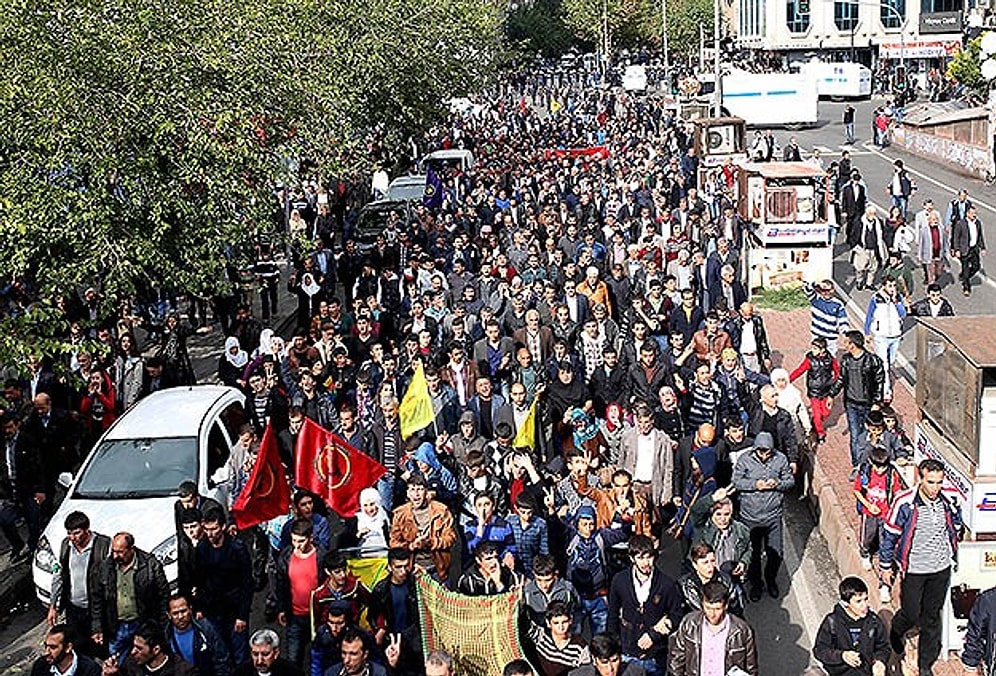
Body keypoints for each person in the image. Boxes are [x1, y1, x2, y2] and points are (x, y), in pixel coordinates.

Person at [880, 458, 963, 676]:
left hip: (940, 568)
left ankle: (925, 665)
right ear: (920, 478)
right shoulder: (904, 502)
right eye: (931, 482)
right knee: (911, 612)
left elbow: (956, 523)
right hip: (915, 569)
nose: (936, 488)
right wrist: (886, 566)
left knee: (931, 616)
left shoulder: (948, 499)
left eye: (939, 482)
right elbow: (889, 535)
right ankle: (896, 632)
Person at [607, 535, 683, 676]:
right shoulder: (619, 580)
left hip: (655, 656)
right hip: (627, 653)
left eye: (649, 557)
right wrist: (614, 646)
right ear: (632, 558)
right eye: (640, 558)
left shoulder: (667, 584)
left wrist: (653, 635)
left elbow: (677, 615)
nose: (645, 563)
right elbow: (612, 615)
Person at [732, 431, 794, 601]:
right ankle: (756, 584)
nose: (765, 454)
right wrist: (754, 484)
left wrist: (778, 484)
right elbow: (736, 481)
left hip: (773, 516)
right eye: (761, 451)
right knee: (753, 555)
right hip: (750, 517)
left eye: (768, 451)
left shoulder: (780, 459)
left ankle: (770, 579)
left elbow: (790, 481)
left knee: (776, 553)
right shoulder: (744, 460)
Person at [91, 532, 169, 658]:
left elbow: (163, 596)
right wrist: (97, 627)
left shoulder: (150, 565)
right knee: (115, 660)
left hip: (142, 623)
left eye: (120, 552)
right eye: (114, 551)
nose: (116, 556)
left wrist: (162, 624)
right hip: (117, 626)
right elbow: (97, 599)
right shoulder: (106, 567)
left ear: (131, 549)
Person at [194, 509, 254, 666]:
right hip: (212, 609)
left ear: (222, 527)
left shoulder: (237, 549)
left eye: (213, 529)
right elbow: (200, 579)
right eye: (206, 529)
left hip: (233, 610)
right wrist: (199, 608)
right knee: (219, 653)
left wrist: (242, 615)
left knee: (240, 655)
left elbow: (246, 583)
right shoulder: (202, 548)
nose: (210, 533)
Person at [48, 511, 111, 655]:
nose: (72, 538)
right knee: (78, 648)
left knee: (101, 648)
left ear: (87, 529)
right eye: (69, 533)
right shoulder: (66, 546)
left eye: (76, 533)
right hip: (74, 610)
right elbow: (58, 576)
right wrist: (53, 605)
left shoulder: (103, 545)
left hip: (97, 610)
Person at [668, 580, 758, 676]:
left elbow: (751, 668)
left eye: (717, 609)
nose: (712, 614)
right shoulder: (689, 623)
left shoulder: (742, 631)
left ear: (726, 605)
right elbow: (677, 658)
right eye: (708, 608)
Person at [852, 447, 904, 605]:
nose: (880, 470)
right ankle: (865, 552)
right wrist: (868, 504)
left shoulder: (892, 475)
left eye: (883, 466)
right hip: (870, 514)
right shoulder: (865, 473)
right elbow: (857, 491)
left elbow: (897, 494)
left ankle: (884, 584)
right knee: (867, 537)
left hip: (886, 517)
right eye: (877, 466)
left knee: (886, 548)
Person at [274, 519, 327, 666]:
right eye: (294, 540)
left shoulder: (321, 556)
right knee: (293, 660)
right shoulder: (286, 557)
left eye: (301, 541)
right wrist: (281, 609)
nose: (297, 545)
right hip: (295, 617)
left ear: (310, 538)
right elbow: (281, 585)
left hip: (317, 617)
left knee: (319, 658)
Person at [830, 331, 886, 470]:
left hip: (868, 404)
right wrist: (831, 394)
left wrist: (877, 403)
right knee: (855, 436)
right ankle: (858, 466)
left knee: (870, 435)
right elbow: (841, 379)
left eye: (846, 342)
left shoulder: (873, 361)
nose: (844, 345)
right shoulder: (846, 360)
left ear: (853, 344)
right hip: (851, 404)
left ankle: (872, 462)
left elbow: (880, 382)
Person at [813, 577, 889, 676]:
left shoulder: (874, 622)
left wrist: (879, 661)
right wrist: (842, 656)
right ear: (846, 603)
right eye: (858, 601)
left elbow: (883, 647)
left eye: (866, 599)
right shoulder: (832, 622)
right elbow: (820, 650)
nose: (864, 605)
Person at [388, 475, 457, 583]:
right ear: (407, 493)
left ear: (426, 491)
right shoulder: (400, 514)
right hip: (412, 568)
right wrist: (411, 546)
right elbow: (394, 542)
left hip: (437, 568)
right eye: (412, 489)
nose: (416, 494)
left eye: (419, 489)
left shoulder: (441, 511)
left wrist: (430, 542)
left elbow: (450, 538)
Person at [862, 277, 906, 402]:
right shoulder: (876, 298)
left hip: (895, 335)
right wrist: (867, 332)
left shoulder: (898, 298)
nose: (892, 288)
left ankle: (879, 377)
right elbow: (869, 315)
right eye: (890, 286)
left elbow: (903, 314)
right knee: (884, 364)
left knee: (891, 361)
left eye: (894, 285)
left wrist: (896, 301)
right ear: (884, 286)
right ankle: (886, 391)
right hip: (881, 335)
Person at [789, 337, 839, 445]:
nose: (813, 350)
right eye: (812, 348)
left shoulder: (830, 359)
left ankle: (816, 423)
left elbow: (837, 371)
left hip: (826, 391)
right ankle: (820, 433)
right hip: (814, 391)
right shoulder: (810, 360)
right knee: (817, 414)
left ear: (823, 350)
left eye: (815, 348)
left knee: (825, 412)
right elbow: (800, 370)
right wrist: (789, 379)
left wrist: (834, 383)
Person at [165, 594, 231, 676]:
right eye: (175, 613)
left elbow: (221, 658)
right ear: (169, 615)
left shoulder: (205, 629)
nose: (180, 616)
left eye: (183, 611)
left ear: (190, 609)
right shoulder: (166, 637)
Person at [101, 621, 197, 676]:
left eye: (139, 648)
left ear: (156, 649)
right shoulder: (130, 665)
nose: (133, 652)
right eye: (133, 646)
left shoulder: (183, 671)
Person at [526, 600, 590, 676]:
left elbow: (586, 671)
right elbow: (522, 623)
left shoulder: (580, 647)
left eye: (564, 622)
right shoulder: (541, 636)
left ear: (571, 620)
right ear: (548, 623)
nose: (561, 627)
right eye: (556, 623)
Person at [30, 624, 102, 676]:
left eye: (53, 647)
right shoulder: (41, 665)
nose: (46, 652)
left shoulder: (90, 670)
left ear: (68, 648)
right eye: (46, 646)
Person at [567, 633, 647, 676]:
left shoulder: (636, 673)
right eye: (604, 662)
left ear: (621, 657)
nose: (610, 668)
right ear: (594, 660)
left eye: (614, 661)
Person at [233, 629, 304, 676]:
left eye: (265, 654)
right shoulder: (241, 672)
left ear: (276, 653)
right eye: (255, 654)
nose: (259, 661)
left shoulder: (292, 673)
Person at [951, 204, 987, 296]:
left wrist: (982, 247)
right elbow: (956, 237)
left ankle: (964, 276)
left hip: (974, 249)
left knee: (976, 266)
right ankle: (966, 287)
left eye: (975, 213)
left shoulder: (978, 223)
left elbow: (980, 236)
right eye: (972, 213)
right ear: (967, 214)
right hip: (964, 250)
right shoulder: (960, 223)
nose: (974, 215)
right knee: (966, 268)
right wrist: (957, 249)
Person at [962, 584, 996, 674]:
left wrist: (970, 661)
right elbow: (976, 633)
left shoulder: (988, 599)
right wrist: (970, 662)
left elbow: (976, 633)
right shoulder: (988, 600)